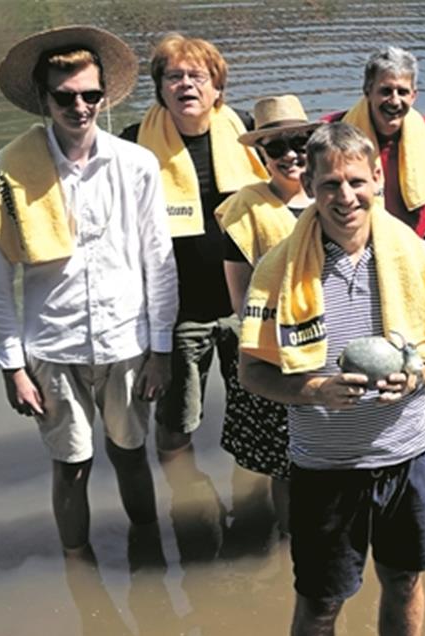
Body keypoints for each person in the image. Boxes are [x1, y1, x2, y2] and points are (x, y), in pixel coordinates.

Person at [236, 122, 425, 636]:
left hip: (406, 454)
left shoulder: (415, 254)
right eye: (329, 183)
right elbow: (251, 370)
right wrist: (307, 390)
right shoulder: (278, 269)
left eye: (357, 182)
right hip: (325, 467)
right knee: (319, 602)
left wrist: (416, 379)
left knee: (406, 582)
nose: (344, 196)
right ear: (307, 184)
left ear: (378, 181)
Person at [0, 26, 176, 558]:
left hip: (127, 340)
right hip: (53, 347)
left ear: (105, 97)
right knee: (72, 467)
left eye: (89, 95)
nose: (78, 107)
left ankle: (149, 556)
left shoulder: (137, 165)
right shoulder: (8, 177)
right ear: (44, 99)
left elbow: (159, 262)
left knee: (132, 454)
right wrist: (11, 367)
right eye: (64, 96)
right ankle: (79, 570)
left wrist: (161, 350)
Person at [121, 34, 268, 497]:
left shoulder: (247, 133)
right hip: (179, 313)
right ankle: (190, 507)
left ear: (217, 88)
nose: (186, 84)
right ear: (160, 88)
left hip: (245, 308)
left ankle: (253, 508)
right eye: (174, 76)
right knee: (175, 422)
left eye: (197, 76)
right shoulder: (133, 145)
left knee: (257, 418)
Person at [325, 46, 425, 430]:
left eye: (403, 92)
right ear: (368, 91)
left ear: (414, 95)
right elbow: (293, 167)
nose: (394, 101)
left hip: (416, 261)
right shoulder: (336, 130)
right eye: (385, 91)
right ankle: (364, 428)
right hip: (354, 262)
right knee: (358, 355)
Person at [214, 94, 321, 535]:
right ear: (261, 154)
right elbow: (241, 298)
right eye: (276, 147)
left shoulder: (334, 193)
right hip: (279, 347)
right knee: (286, 459)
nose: (290, 155)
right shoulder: (247, 208)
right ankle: (292, 539)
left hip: (333, 343)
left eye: (298, 141)